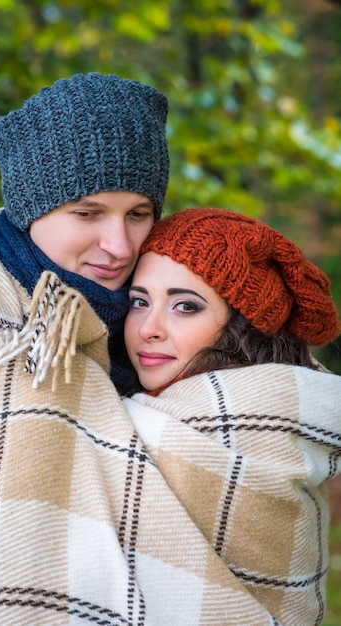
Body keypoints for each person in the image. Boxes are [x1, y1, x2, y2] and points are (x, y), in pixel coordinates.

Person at [0, 72, 169, 624]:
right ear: (32, 211)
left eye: (138, 214)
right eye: (87, 213)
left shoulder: (172, 330)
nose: (119, 245)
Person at [121, 207, 341, 624]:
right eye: (139, 301)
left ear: (241, 328)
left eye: (185, 306)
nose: (148, 327)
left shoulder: (253, 429)